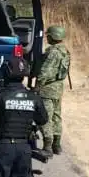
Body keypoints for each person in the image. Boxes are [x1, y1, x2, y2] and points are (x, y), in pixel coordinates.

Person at [34, 25, 70, 156]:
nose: (47, 37)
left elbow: (45, 72)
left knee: (45, 117)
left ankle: (47, 146)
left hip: (47, 89)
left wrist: (37, 86)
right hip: (58, 89)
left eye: (48, 35)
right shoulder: (64, 51)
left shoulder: (53, 52)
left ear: (53, 36)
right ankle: (57, 145)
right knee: (56, 116)